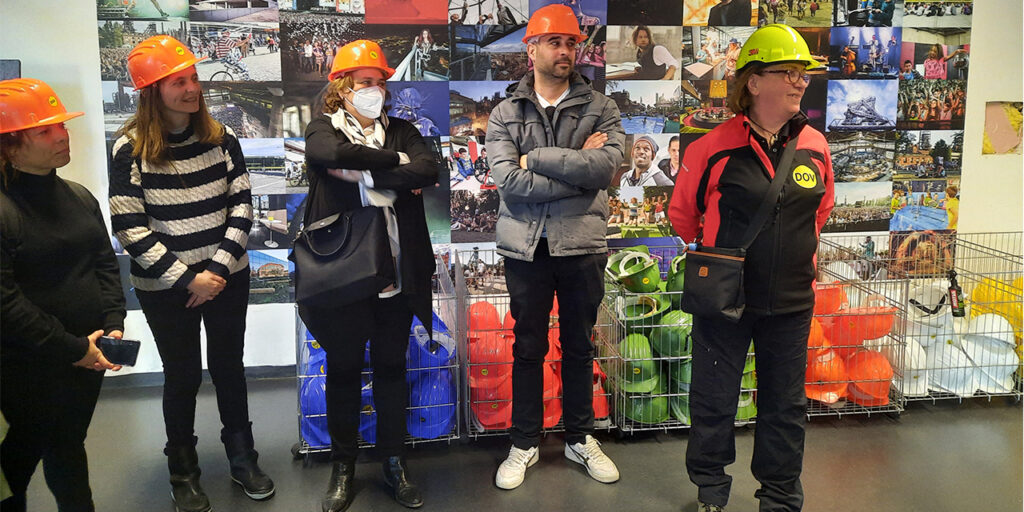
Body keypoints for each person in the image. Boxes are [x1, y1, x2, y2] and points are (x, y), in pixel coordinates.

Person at [668, 24, 835, 512]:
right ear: (754, 82)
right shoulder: (711, 147)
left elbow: (820, 211)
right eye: (788, 72)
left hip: (791, 301)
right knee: (714, 399)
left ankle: (781, 498)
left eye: (803, 73)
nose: (800, 81)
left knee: (785, 406)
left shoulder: (816, 147)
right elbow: (682, 215)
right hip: (725, 301)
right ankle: (711, 492)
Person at [109, 35, 273, 512]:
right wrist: (188, 279)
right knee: (181, 376)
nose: (191, 89)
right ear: (151, 91)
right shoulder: (129, 148)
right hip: (166, 287)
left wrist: (217, 271)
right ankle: (183, 470)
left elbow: (243, 205)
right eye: (177, 82)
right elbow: (129, 227)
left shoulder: (222, 138)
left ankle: (243, 457)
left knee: (229, 369)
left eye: (193, 78)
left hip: (226, 277)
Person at [485, 3, 625, 491]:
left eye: (571, 43)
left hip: (582, 246)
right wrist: (576, 173)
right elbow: (509, 182)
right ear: (532, 49)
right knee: (527, 346)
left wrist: (538, 158)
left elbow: (606, 170)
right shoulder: (505, 112)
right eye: (555, 42)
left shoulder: (601, 106)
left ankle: (579, 438)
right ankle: (524, 443)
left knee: (580, 345)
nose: (566, 51)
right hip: (525, 248)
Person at [302, 39, 439, 512]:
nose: (375, 90)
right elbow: (323, 152)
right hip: (342, 277)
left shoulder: (403, 131)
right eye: (365, 83)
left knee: (390, 368)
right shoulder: (323, 129)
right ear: (342, 88)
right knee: (342, 369)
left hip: (397, 275)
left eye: (380, 83)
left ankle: (394, 461)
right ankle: (343, 466)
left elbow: (430, 168)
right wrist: (394, 166)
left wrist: (359, 170)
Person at [0, 79, 125, 512]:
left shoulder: (77, 196)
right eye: (44, 130)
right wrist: (72, 348)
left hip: (83, 360)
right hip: (23, 368)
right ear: (10, 146)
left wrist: (113, 324)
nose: (61, 135)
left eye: (61, 126)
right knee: (13, 464)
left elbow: (104, 263)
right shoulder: (4, 210)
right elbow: (6, 303)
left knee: (68, 445)